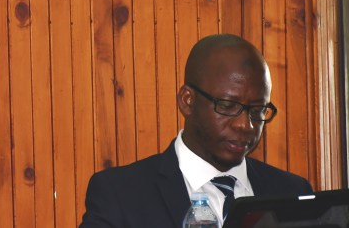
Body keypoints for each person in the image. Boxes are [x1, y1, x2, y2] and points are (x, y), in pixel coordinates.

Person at [79, 34, 313, 227]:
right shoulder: (120, 194)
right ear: (187, 101)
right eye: (227, 106)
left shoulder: (292, 192)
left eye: (257, 110)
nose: (246, 125)